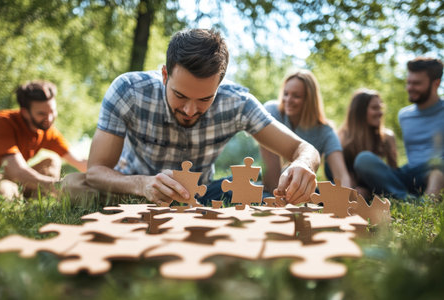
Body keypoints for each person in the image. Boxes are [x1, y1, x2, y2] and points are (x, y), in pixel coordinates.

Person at [63, 28, 320, 206]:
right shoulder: (128, 90)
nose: (190, 110)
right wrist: (142, 184)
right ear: (165, 75)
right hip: (132, 188)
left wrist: (303, 164)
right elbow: (96, 171)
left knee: (243, 187)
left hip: (199, 195)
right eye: (181, 95)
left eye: (205, 99)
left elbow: (303, 148)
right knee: (73, 186)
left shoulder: (238, 102)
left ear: (220, 85)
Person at [351, 57, 443, 200]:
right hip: (410, 174)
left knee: (437, 169)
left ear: (436, 84)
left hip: (437, 173)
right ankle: (406, 199)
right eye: (408, 83)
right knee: (364, 159)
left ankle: (427, 202)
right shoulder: (404, 115)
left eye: (416, 83)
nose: (410, 88)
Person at [261, 70, 351, 195]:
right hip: (269, 184)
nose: (288, 100)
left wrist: (345, 198)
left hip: (302, 189)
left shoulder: (326, 132)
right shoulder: (272, 111)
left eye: (296, 96)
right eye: (285, 94)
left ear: (310, 100)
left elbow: (341, 175)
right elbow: (270, 167)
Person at [0, 80, 87, 200]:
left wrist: (106, 178)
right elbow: (17, 171)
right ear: (25, 112)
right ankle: (18, 202)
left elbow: (80, 162)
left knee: (52, 161)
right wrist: (60, 186)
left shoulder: (47, 131)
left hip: (16, 179)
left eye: (52, 111)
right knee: (5, 189)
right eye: (41, 114)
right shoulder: (1, 123)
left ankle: (37, 203)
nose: (49, 118)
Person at [338, 89, 398, 199]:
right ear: (360, 112)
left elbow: (394, 175)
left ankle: (404, 197)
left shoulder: (386, 137)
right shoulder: (342, 140)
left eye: (380, 108)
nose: (380, 113)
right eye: (375, 108)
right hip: (354, 188)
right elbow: (344, 178)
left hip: (381, 189)